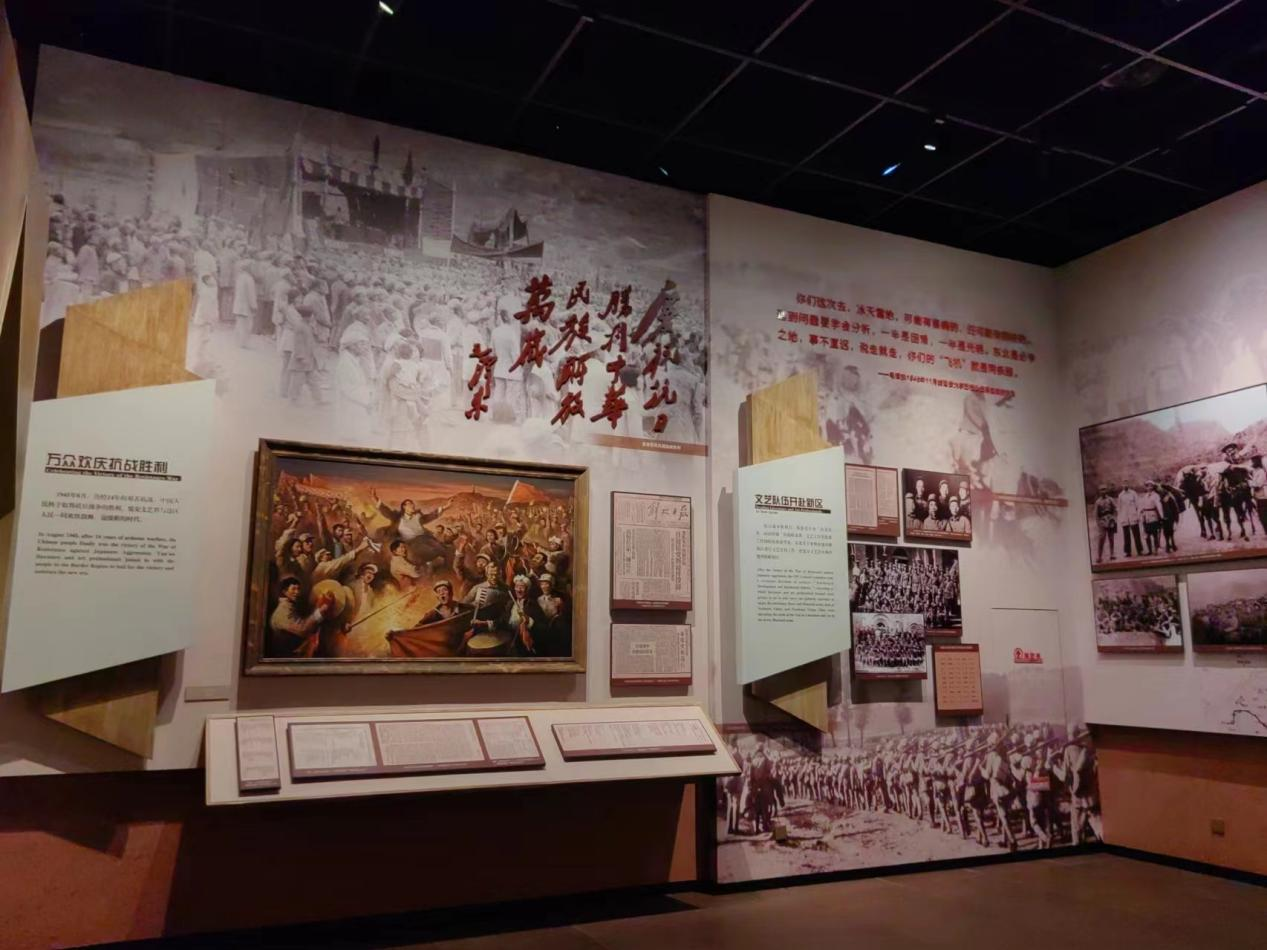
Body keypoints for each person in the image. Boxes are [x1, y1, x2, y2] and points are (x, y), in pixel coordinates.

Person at [269, 576, 324, 657]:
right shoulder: (282, 611)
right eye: (293, 589)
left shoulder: (289, 607)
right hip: (287, 656)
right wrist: (320, 612)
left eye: (298, 589)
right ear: (285, 591)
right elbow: (302, 629)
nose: (297, 592)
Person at [1117, 483, 1142, 557]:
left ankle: (1139, 550)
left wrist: (1138, 516)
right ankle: (1128, 552)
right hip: (1125, 517)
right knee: (1126, 535)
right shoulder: (1120, 495)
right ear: (1122, 485)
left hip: (1133, 516)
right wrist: (1120, 518)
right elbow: (1119, 508)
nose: (1125, 485)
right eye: (1124, 483)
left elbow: (1138, 505)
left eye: (1126, 483)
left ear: (1128, 484)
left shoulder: (1133, 493)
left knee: (1136, 534)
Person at [1094, 485, 1117, 563]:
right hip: (1102, 521)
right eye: (1101, 490)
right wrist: (1098, 523)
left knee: (1111, 538)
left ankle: (1112, 554)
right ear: (1099, 491)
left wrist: (1114, 519)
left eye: (1104, 489)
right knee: (1101, 538)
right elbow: (1096, 514)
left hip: (1110, 520)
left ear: (1106, 490)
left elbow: (1115, 509)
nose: (1103, 491)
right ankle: (1099, 556)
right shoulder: (1098, 502)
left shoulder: (1110, 499)